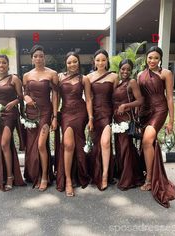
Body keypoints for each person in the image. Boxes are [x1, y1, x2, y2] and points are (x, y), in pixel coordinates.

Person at [137, 46, 175, 207]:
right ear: (146, 58)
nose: (152, 61)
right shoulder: (140, 75)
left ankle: (150, 179)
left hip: (160, 110)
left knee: (147, 141)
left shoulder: (166, 73)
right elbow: (138, 96)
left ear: (160, 59)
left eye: (155, 58)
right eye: (150, 58)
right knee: (149, 143)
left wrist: (170, 121)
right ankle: (152, 172)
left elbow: (169, 98)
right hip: (144, 111)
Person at [0, 54, 26, 191]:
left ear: (8, 65)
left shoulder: (14, 79)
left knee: (4, 143)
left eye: (3, 62)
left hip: (10, 115)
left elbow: (21, 97)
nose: (1, 65)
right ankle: (1, 174)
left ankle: (9, 176)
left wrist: (14, 102)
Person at [56, 51, 93, 197]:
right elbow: (56, 98)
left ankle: (75, 176)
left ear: (79, 62)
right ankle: (68, 180)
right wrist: (54, 116)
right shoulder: (59, 77)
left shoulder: (84, 79)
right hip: (65, 113)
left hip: (80, 113)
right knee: (68, 144)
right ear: (66, 63)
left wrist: (90, 118)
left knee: (76, 144)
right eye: (69, 62)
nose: (72, 64)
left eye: (75, 61)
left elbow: (89, 99)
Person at [22, 45, 58, 191]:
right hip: (31, 114)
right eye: (35, 56)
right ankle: (34, 175)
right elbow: (24, 93)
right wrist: (26, 98)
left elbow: (55, 96)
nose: (38, 58)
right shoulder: (26, 75)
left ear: (45, 57)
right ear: (32, 58)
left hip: (45, 113)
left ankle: (44, 177)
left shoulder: (52, 74)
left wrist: (55, 116)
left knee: (41, 144)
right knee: (32, 146)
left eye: (41, 56)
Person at [87, 49, 118, 191]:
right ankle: (95, 171)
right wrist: (90, 118)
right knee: (95, 145)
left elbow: (116, 98)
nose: (100, 62)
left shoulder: (113, 77)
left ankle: (105, 175)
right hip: (94, 113)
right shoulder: (88, 77)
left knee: (105, 143)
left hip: (107, 113)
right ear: (94, 61)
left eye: (103, 60)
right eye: (98, 60)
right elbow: (88, 99)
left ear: (107, 61)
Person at [112, 59, 144, 190]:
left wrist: (125, 105)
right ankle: (125, 173)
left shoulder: (132, 82)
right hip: (116, 120)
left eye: (128, 69)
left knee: (125, 147)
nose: (125, 71)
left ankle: (128, 179)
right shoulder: (118, 82)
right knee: (120, 147)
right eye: (123, 69)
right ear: (119, 69)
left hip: (126, 119)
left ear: (131, 71)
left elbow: (140, 100)